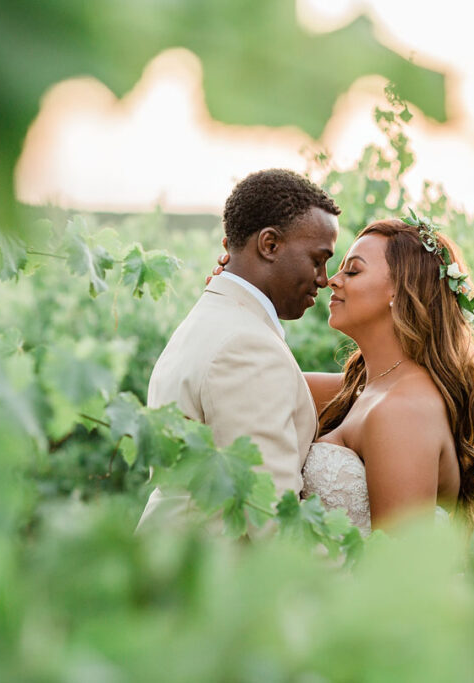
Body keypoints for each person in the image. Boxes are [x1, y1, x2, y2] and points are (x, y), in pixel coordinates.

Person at [136, 169, 340, 531]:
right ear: (270, 245)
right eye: (317, 259)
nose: (324, 279)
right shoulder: (246, 347)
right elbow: (270, 516)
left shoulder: (215, 319)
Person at [299, 217, 474, 534]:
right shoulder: (363, 389)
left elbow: (396, 571)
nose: (332, 280)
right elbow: (263, 377)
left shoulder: (403, 410)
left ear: (401, 291)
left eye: (353, 270)